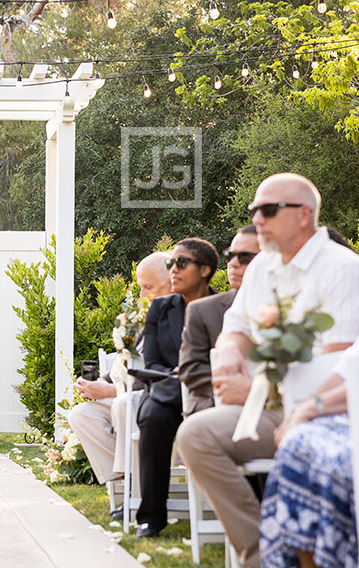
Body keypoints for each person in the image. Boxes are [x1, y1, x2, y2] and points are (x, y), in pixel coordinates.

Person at [175, 173, 359, 568]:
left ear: (305, 216)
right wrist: (229, 360)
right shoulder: (264, 265)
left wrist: (258, 390)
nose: (257, 220)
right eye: (253, 211)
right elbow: (236, 329)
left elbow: (339, 366)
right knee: (194, 434)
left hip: (331, 410)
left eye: (267, 211)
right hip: (270, 407)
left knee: (300, 440)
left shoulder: (344, 271)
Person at [257, 238, 359, 568]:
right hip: (358, 416)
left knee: (326, 456)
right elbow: (348, 369)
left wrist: (314, 408)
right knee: (300, 443)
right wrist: (303, 408)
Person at [132, 237, 217, 538]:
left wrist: (197, 376)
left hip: (210, 393)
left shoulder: (222, 306)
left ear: (205, 270)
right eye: (171, 264)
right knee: (153, 418)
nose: (173, 270)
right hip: (167, 392)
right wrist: (177, 376)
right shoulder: (159, 309)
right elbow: (151, 361)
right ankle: (151, 517)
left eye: (181, 264)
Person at [68, 251, 173, 494]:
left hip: (154, 399)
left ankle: (137, 486)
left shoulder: (179, 318)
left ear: (171, 285)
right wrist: (96, 385)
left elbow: (162, 373)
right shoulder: (138, 319)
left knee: (122, 404)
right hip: (124, 395)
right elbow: (123, 367)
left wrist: (112, 390)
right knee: (81, 415)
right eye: (140, 288)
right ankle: (122, 482)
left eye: (148, 287)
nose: (142, 295)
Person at [178, 225, 260, 416]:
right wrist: (230, 383)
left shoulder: (290, 305)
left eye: (245, 257)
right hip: (212, 403)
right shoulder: (202, 310)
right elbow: (191, 369)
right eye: (230, 256)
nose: (233, 263)